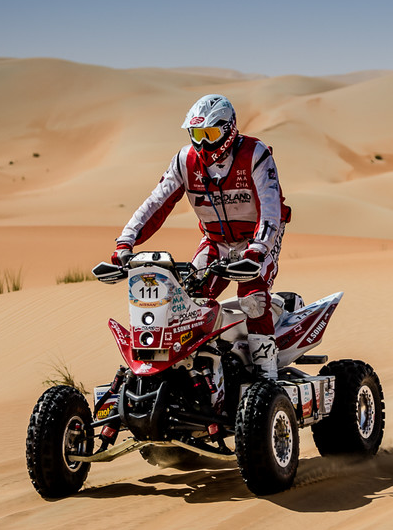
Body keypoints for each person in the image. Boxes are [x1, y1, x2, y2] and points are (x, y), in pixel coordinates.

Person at [111, 94, 290, 379]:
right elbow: (156, 203)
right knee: (190, 301)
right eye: (197, 134)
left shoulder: (255, 155)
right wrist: (126, 241)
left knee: (253, 299)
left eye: (210, 134)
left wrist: (257, 250)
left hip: (256, 240)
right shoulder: (185, 161)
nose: (204, 143)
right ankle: (197, 373)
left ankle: (267, 375)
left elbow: (271, 211)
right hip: (215, 241)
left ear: (229, 130)